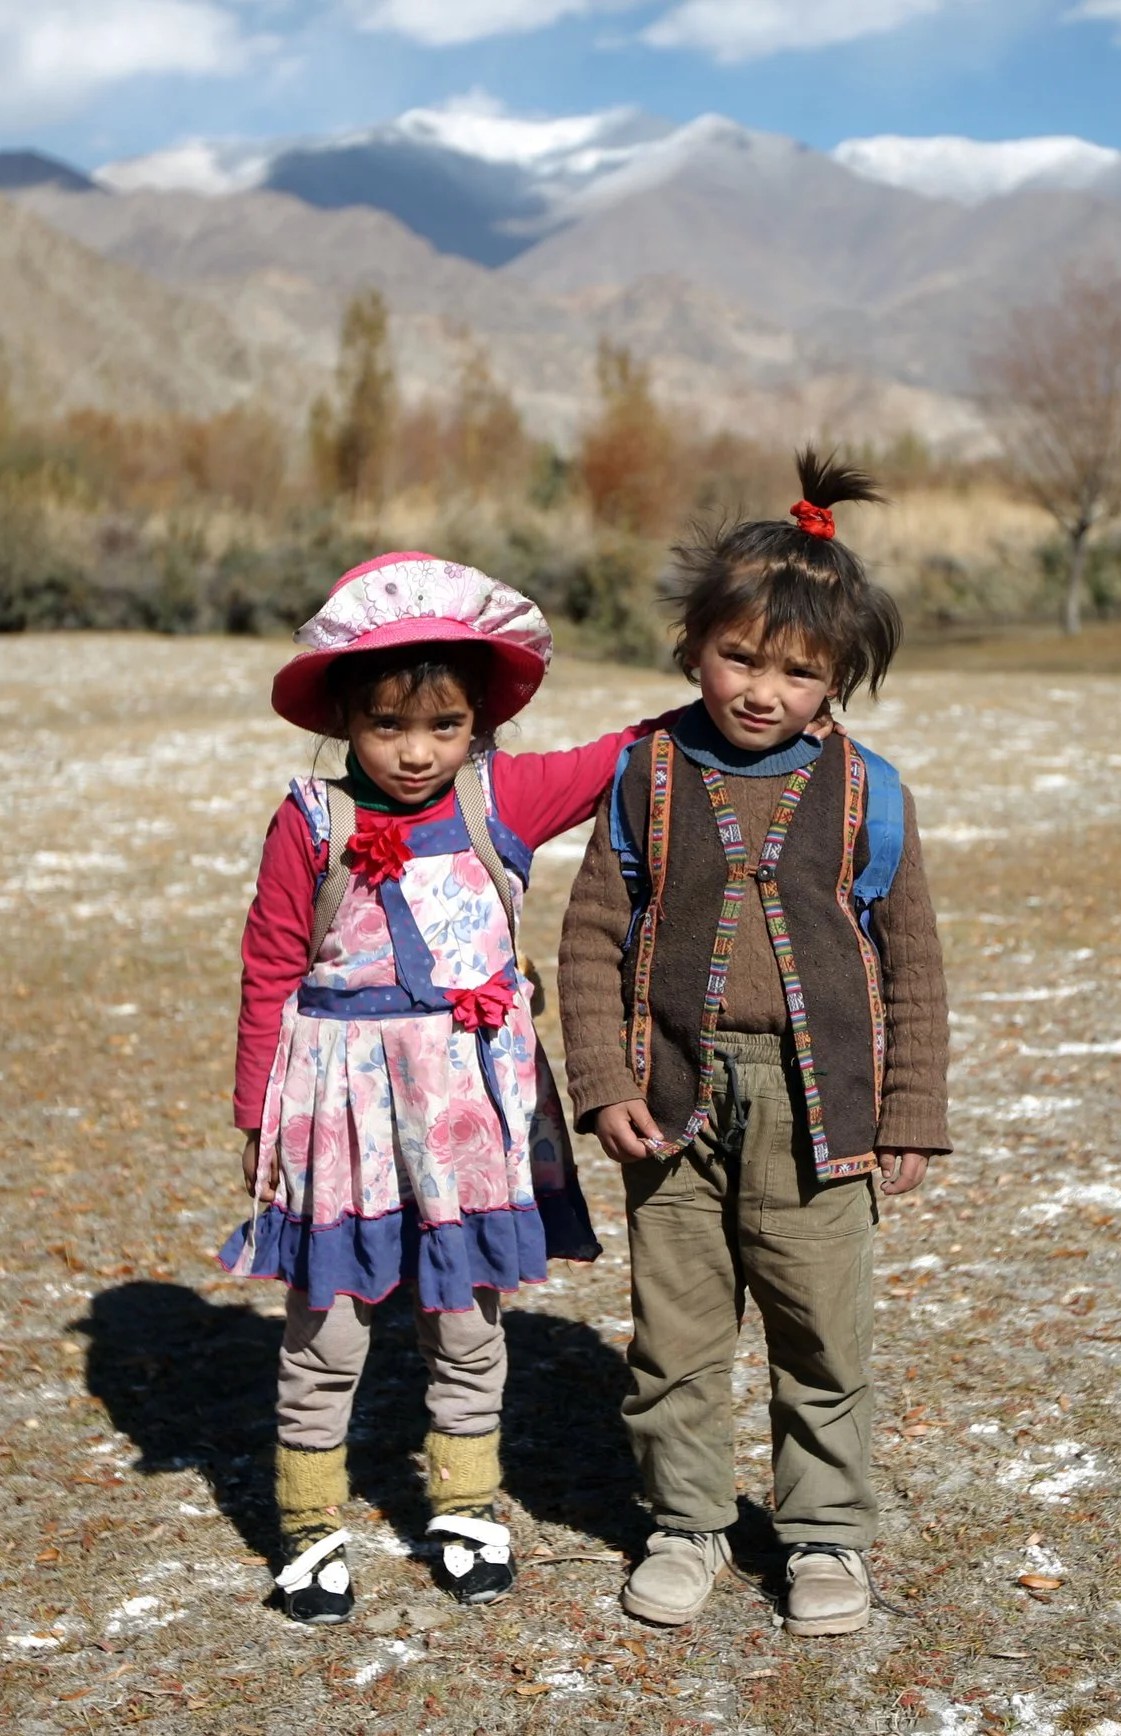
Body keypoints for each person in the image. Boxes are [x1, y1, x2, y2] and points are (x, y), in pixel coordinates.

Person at [223, 551, 672, 1624]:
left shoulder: (499, 796)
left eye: (443, 726)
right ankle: (308, 1524)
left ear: (478, 722)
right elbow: (268, 969)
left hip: (467, 1112)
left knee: (466, 1319)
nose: (415, 753)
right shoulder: (312, 823)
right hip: (339, 1113)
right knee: (326, 1325)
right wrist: (253, 1119)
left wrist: (739, 689)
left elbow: (629, 753)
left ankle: (466, 1508)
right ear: (342, 717)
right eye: (386, 726)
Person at [557, 452, 951, 1639]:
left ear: (839, 679)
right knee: (673, 1334)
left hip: (815, 1104)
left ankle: (824, 1537)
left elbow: (914, 960)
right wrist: (603, 1080)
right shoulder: (647, 775)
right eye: (740, 656)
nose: (761, 689)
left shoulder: (869, 791)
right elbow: (588, 940)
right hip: (669, 1102)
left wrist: (910, 1112)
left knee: (821, 1332)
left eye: (798, 670)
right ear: (692, 646)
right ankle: (683, 1524)